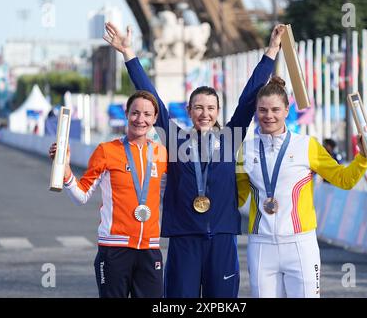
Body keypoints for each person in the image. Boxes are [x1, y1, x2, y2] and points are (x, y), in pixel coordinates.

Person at [103, 21, 285, 297]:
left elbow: (249, 98)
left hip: (222, 238)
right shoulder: (176, 140)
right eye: (198, 107)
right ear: (189, 110)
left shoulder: (229, 139)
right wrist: (128, 53)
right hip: (184, 238)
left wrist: (271, 51)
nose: (204, 113)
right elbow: (152, 99)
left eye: (211, 108)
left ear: (218, 111)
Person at [236, 77, 367, 298]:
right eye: (262, 110)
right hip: (261, 244)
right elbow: (237, 197)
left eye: (275, 109)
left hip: (300, 244)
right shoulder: (246, 150)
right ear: (256, 111)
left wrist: (363, 156)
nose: (269, 116)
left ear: (286, 110)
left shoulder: (307, 146)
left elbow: (343, 179)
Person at [48, 91, 168, 298]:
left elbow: (170, 194)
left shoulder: (162, 154)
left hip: (150, 249)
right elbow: (81, 196)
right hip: (114, 249)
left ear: (155, 118)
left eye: (147, 114)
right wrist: (65, 169)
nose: (141, 119)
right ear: (126, 114)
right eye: (135, 113)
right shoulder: (106, 151)